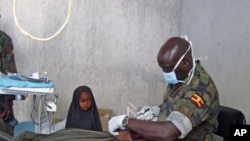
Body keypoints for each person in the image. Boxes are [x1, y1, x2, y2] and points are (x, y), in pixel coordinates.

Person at [108, 35, 220, 141]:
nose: (165, 73)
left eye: (167, 69)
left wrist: (125, 121)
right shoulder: (181, 77)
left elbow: (169, 132)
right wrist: (155, 111)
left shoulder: (201, 90)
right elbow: (174, 103)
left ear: (185, 62)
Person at [0, 17, 19, 136]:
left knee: (5, 131)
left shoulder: (4, 40)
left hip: (1, 97)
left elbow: (10, 72)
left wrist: (8, 102)